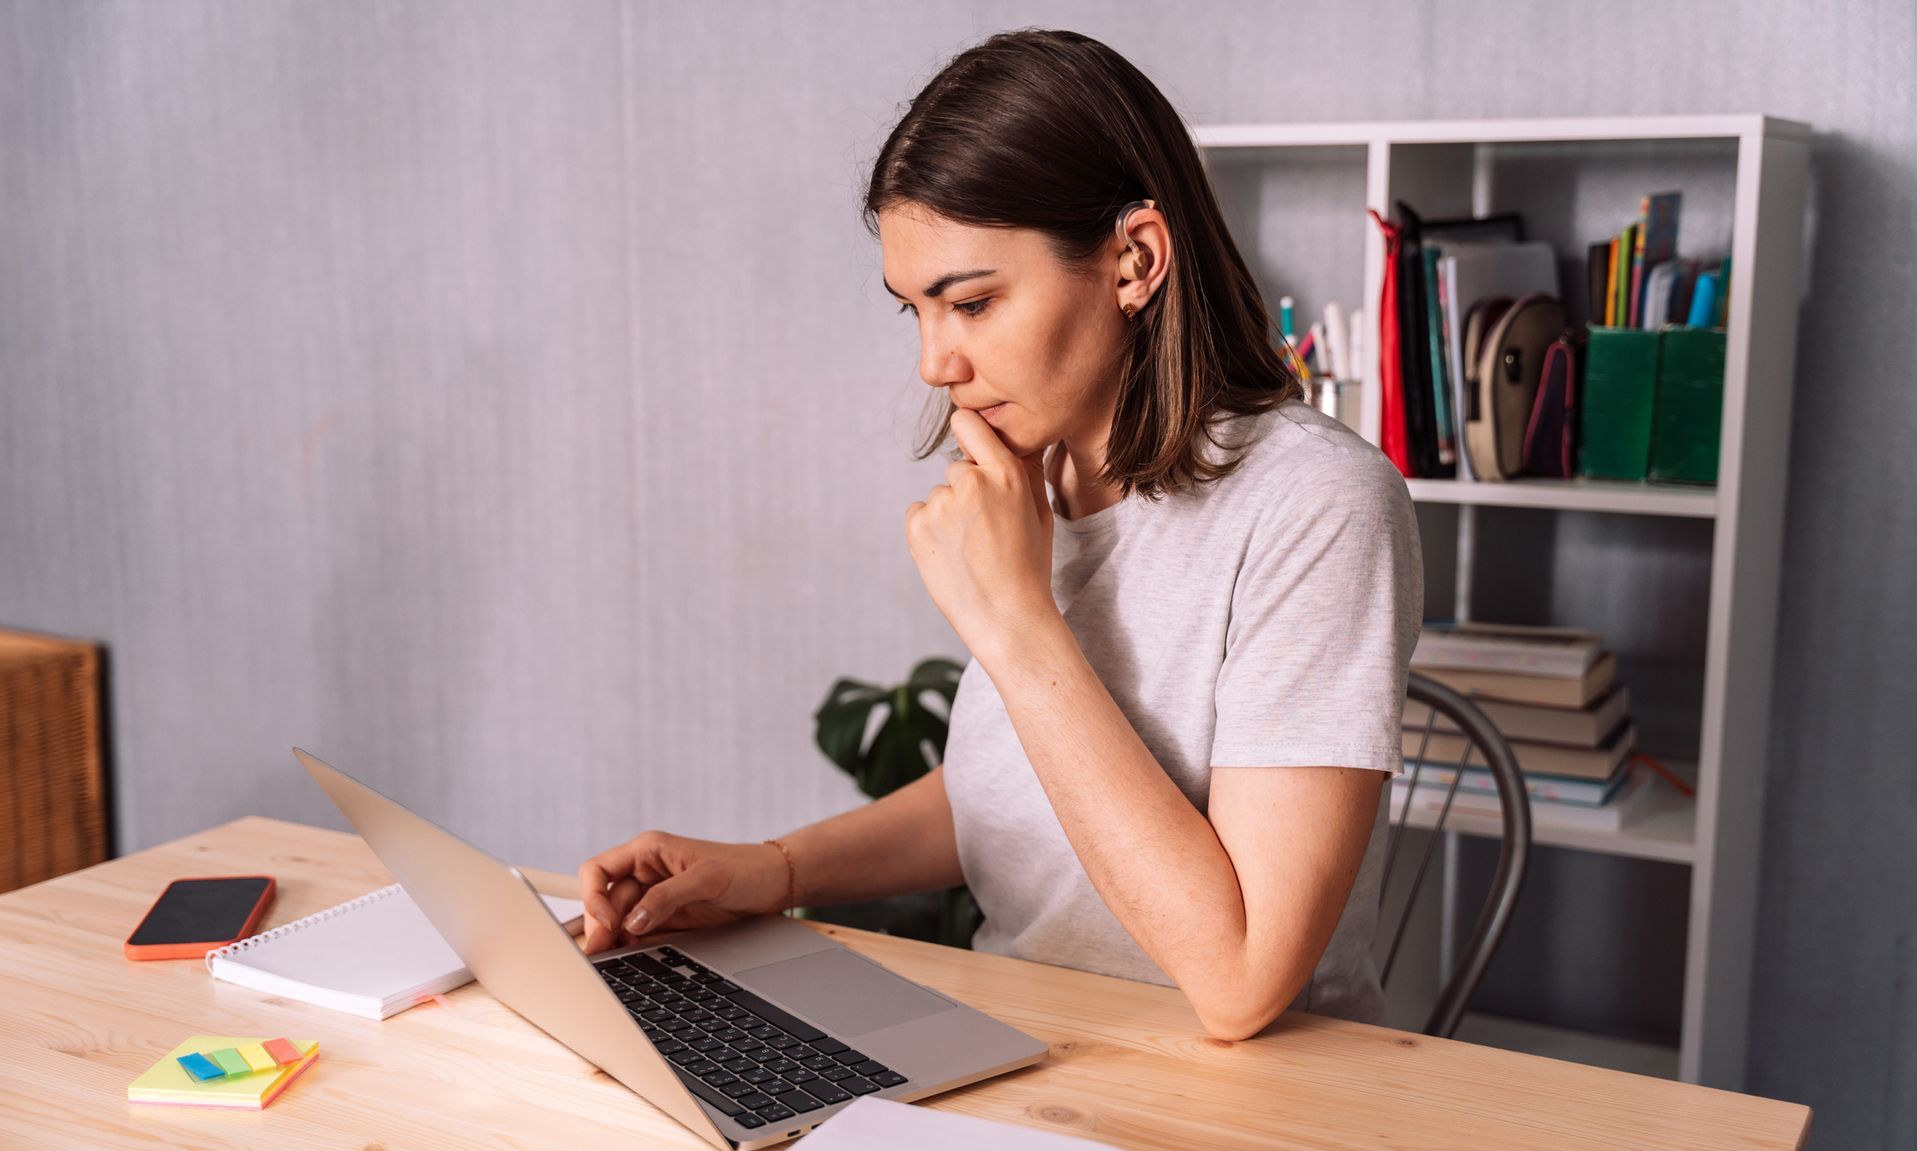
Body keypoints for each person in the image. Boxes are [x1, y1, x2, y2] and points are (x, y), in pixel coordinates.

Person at [580, 28, 1422, 1040]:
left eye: (972, 302)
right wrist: (778, 870)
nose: (937, 362)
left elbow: (1240, 981)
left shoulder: (1319, 507)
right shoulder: (1041, 472)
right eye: (915, 312)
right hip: (1024, 1041)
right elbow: (1028, 788)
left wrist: (1019, 623)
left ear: (1135, 260)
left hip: (1258, 1097)